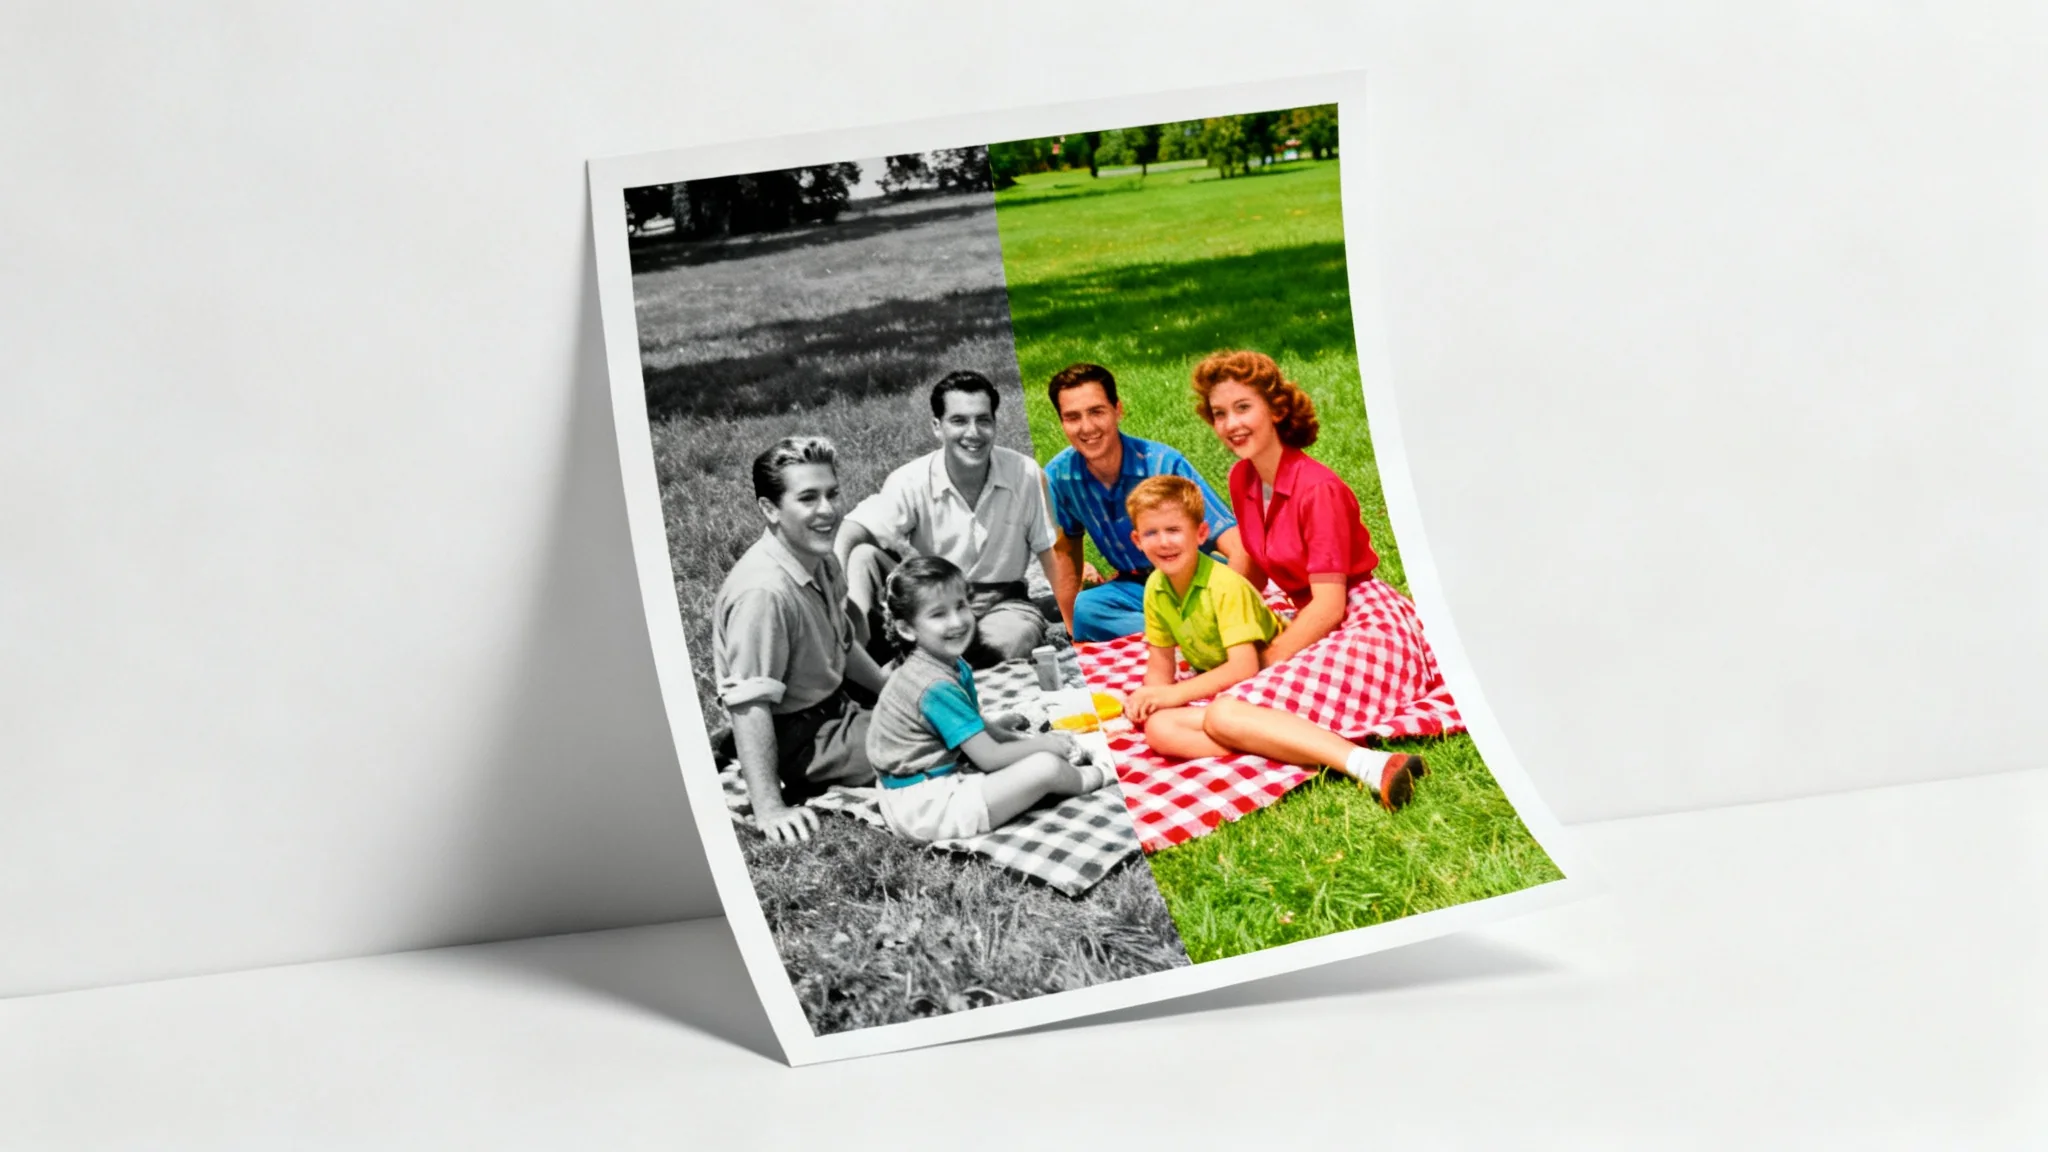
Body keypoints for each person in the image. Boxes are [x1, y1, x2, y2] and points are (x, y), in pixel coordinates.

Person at [1191, 349, 1443, 809]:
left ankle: (1372, 764)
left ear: (1277, 409)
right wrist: (1218, 630)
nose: (1230, 424)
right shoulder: (1241, 477)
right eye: (1219, 413)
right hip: (1312, 621)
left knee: (1226, 711)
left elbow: (1330, 605)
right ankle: (1293, 743)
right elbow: (1249, 562)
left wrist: (1264, 661)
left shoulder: (1318, 487)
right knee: (1167, 726)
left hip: (1365, 621)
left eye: (1243, 407)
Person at [1119, 476, 1421, 809]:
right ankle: (1283, 745)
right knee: (1160, 729)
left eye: (1173, 530)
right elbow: (1161, 666)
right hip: (1228, 687)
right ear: (1136, 540)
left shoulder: (1223, 586)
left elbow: (1245, 666)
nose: (1163, 542)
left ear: (1201, 534)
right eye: (1151, 533)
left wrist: (1174, 693)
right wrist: (1148, 699)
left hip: (1270, 671)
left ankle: (1369, 764)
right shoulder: (1156, 588)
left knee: (1221, 717)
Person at [712, 436, 889, 844]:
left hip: (836, 702)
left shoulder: (819, 557)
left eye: (832, 494)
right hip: (802, 735)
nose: (827, 510)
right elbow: (750, 702)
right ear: (769, 509)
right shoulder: (764, 594)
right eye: (808, 498)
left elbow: (844, 645)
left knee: (932, 692)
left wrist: (893, 693)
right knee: (929, 738)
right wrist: (769, 807)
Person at [865, 556, 1113, 842]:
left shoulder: (942, 664)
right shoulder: (933, 686)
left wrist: (1009, 735)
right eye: (938, 614)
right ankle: (1094, 774)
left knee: (1025, 750)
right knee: (1045, 766)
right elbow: (989, 757)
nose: (956, 621)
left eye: (960, 606)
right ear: (907, 629)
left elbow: (975, 725)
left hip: (914, 789)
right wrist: (1042, 744)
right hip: (928, 807)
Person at [836, 370, 1074, 668]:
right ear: (937, 427)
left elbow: (1051, 551)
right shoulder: (909, 479)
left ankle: (914, 662)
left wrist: (1073, 620)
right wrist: (841, 593)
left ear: (994, 424)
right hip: (928, 600)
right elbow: (853, 528)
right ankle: (854, 641)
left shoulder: (1024, 473)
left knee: (1007, 642)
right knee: (862, 556)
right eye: (959, 421)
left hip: (1001, 603)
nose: (973, 433)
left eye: (983, 420)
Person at [1041, 363, 1245, 642]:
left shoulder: (1162, 463)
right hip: (1134, 587)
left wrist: (1228, 605)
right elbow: (1065, 551)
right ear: (1062, 422)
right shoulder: (1060, 476)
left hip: (1191, 576)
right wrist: (1072, 628)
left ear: (1118, 410)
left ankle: (1178, 630)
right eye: (1073, 417)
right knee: (1086, 610)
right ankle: (1179, 632)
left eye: (1096, 412)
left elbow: (1236, 545)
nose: (1086, 427)